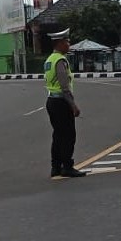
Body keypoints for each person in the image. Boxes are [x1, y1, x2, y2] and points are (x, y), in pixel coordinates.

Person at [43, 28, 86, 178]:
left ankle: (56, 167)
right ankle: (67, 166)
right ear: (60, 43)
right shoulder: (60, 60)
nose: (69, 44)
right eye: (67, 42)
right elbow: (64, 86)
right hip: (61, 102)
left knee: (58, 135)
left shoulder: (49, 60)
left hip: (51, 101)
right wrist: (73, 105)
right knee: (68, 135)